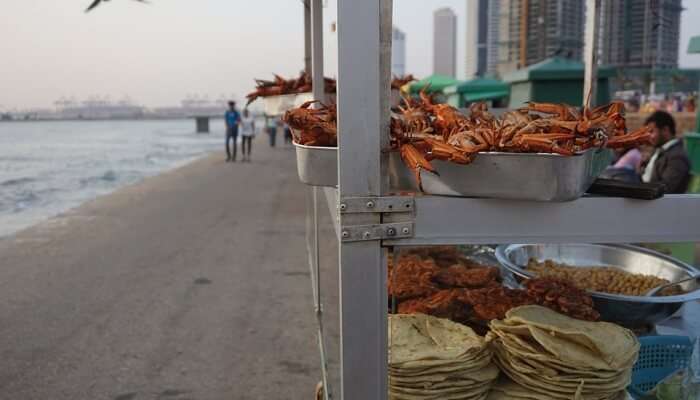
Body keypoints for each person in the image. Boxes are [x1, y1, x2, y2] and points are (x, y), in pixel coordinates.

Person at [640, 111, 691, 193]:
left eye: (651, 131)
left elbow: (666, 187)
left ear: (665, 130)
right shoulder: (659, 150)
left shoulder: (677, 157)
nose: (648, 136)